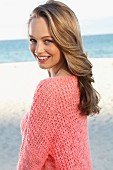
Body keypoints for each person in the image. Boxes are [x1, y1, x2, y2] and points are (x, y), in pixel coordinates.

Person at [17, 0, 100, 169]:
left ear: (65, 40)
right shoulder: (77, 82)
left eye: (47, 40)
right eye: (33, 40)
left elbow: (29, 163)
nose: (38, 49)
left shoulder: (50, 89)